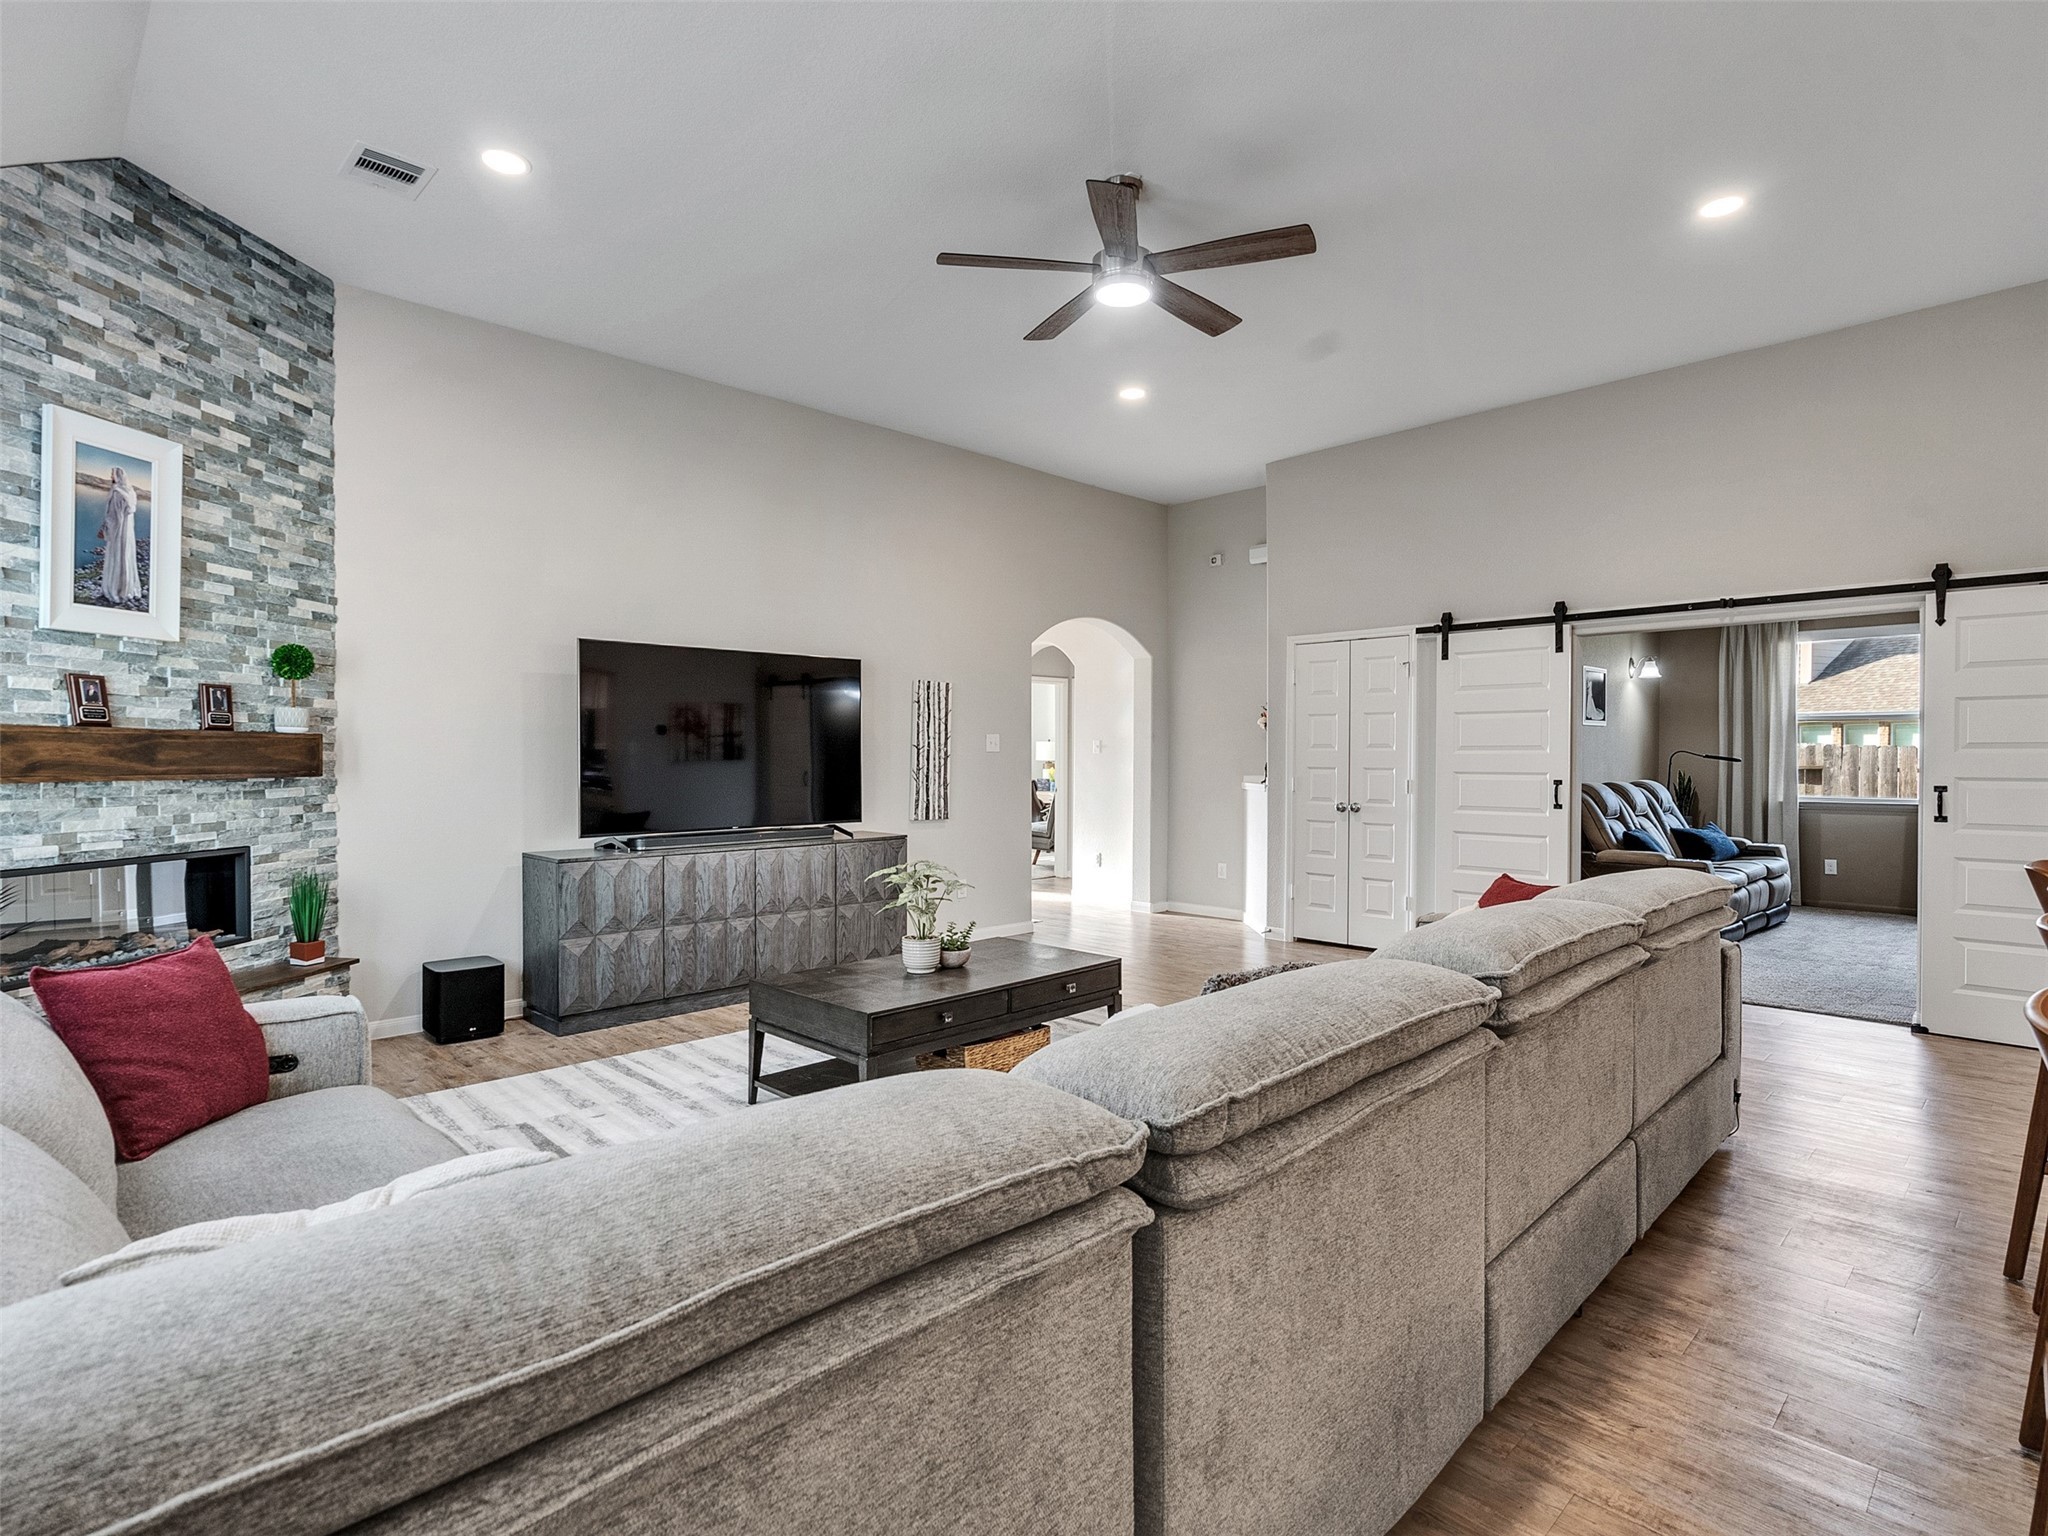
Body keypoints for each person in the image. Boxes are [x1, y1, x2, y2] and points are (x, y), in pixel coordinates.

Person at [98, 464, 142, 606]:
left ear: (117, 476)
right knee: (126, 557)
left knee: (117, 557)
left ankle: (115, 588)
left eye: (112, 474)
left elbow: (113, 516)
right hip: (128, 533)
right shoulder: (131, 493)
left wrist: (104, 529)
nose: (111, 477)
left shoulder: (117, 493)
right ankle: (127, 588)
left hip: (118, 532)